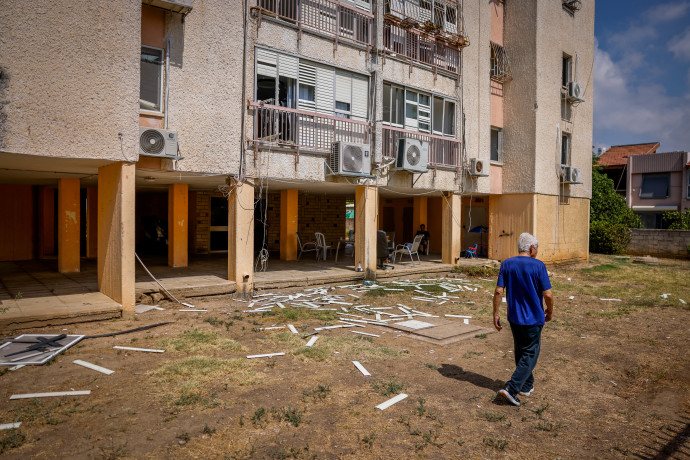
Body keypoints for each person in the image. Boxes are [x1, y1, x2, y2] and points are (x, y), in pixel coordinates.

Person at [493, 232, 554, 407]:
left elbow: (498, 291)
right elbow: (548, 294)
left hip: (514, 317)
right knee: (530, 353)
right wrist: (550, 311)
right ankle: (512, 388)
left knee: (521, 350)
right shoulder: (538, 266)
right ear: (532, 248)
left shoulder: (507, 264)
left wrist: (495, 314)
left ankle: (526, 386)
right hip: (533, 318)